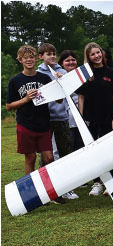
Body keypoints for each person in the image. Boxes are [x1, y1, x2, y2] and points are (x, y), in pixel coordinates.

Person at [6, 45, 65, 204]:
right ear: (20, 60)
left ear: (36, 58)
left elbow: (59, 100)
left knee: (49, 158)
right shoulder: (15, 81)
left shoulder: (44, 78)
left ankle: (53, 193)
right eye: (25, 58)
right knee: (30, 158)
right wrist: (25, 99)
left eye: (31, 57)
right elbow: (9, 106)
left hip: (44, 124)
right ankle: (29, 196)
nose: (29, 60)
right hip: (26, 124)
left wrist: (59, 83)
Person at [77, 42, 113, 196]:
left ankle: (111, 182)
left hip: (108, 117)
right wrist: (81, 119)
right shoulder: (85, 74)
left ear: (102, 52)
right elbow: (81, 97)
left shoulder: (112, 72)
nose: (96, 56)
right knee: (93, 153)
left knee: (109, 150)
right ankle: (96, 183)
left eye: (98, 52)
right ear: (88, 57)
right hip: (90, 118)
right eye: (92, 54)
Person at [37, 43, 70, 164]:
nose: (52, 56)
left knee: (65, 150)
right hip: (44, 119)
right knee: (45, 152)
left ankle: (68, 179)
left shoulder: (62, 72)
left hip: (62, 117)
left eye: (54, 54)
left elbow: (67, 92)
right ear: (41, 56)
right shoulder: (38, 73)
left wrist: (62, 80)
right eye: (48, 54)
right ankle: (45, 177)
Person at [57, 50, 83, 199]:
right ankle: (71, 182)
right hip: (68, 120)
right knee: (70, 150)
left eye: (73, 60)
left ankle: (83, 179)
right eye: (67, 61)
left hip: (84, 119)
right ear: (62, 64)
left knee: (81, 148)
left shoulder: (81, 75)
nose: (71, 62)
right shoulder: (59, 76)